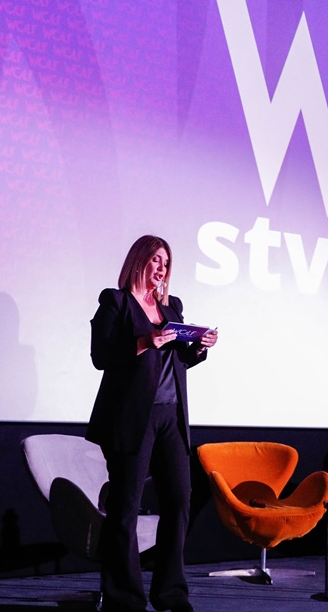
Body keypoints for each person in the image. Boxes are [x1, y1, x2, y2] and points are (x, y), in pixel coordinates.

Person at [86, 235, 217, 612]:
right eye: (156, 260)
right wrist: (146, 341)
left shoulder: (172, 306)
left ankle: (170, 593)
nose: (161, 267)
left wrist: (199, 347)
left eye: (166, 262)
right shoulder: (115, 302)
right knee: (125, 507)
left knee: (179, 500)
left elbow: (178, 360)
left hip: (171, 416)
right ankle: (124, 598)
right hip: (132, 419)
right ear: (139, 261)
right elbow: (101, 357)